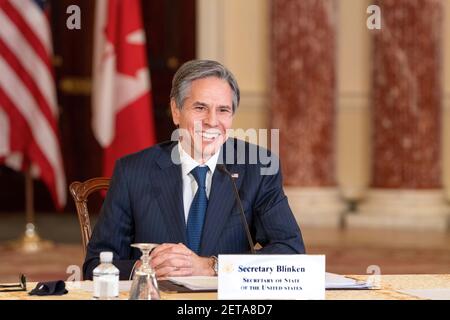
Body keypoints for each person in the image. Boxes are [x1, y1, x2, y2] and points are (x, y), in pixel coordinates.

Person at [83, 60, 305, 280]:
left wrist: (212, 266)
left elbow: (292, 253)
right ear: (176, 111)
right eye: (200, 108)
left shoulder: (258, 167)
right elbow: (95, 266)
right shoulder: (133, 171)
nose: (211, 121)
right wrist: (145, 268)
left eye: (223, 110)